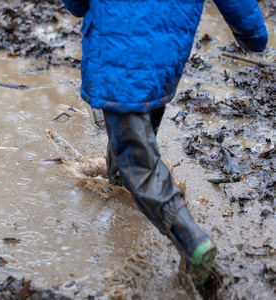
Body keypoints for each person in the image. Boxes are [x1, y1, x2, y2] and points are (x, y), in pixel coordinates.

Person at [60, 0, 268, 286]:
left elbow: (76, 4)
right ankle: (120, 191)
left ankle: (190, 237)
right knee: (137, 134)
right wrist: (254, 35)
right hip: (165, 57)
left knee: (137, 159)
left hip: (116, 54)